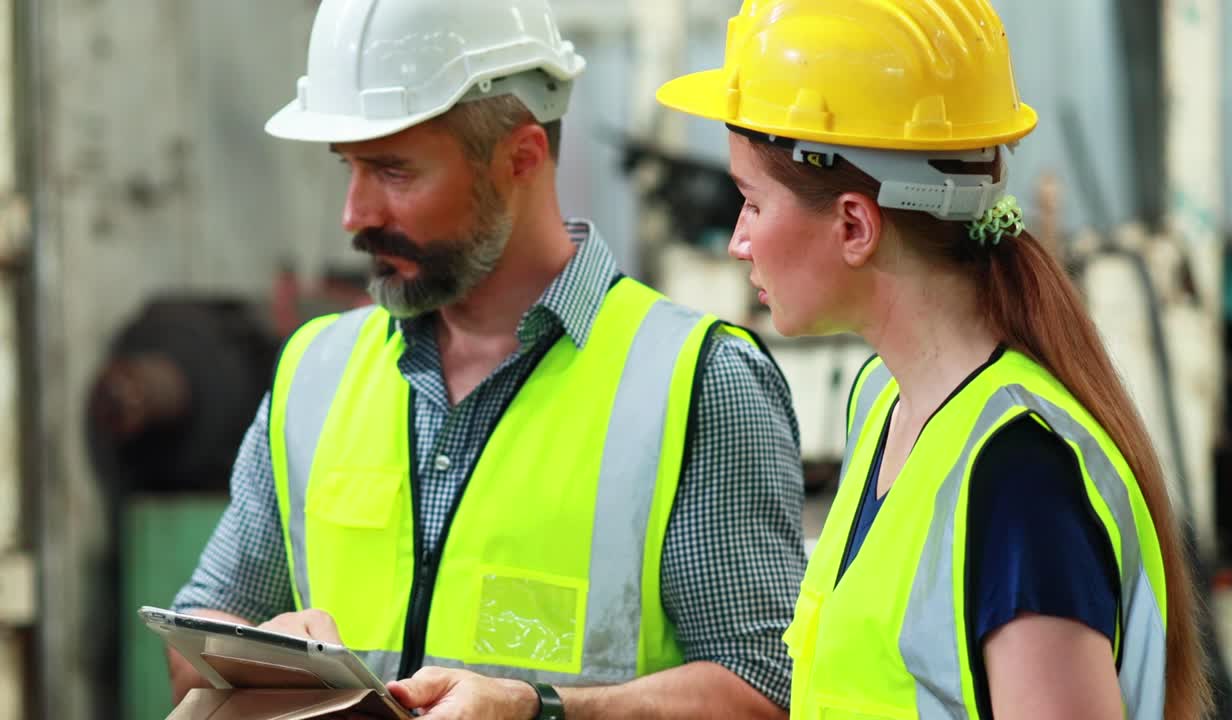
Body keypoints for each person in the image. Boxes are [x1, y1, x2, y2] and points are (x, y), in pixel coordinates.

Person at [168, 1, 807, 718]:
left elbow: (765, 694)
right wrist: (262, 650)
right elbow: (199, 634)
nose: (355, 213)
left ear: (521, 157)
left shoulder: (695, 382)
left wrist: (542, 709)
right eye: (348, 168)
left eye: (393, 171)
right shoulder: (316, 369)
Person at [656, 1, 1209, 719]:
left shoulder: (1021, 479)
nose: (738, 240)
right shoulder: (882, 401)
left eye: (751, 202)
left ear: (854, 224)